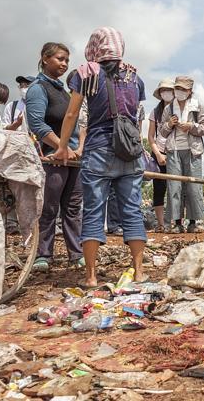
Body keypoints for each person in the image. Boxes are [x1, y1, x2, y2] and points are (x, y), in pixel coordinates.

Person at [51, 27, 148, 285]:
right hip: (130, 151)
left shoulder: (85, 75)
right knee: (132, 210)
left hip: (98, 149)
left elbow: (71, 114)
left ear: (96, 46)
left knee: (93, 211)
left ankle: (91, 277)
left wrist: (62, 146)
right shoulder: (135, 77)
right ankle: (138, 272)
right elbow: (134, 116)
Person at [26, 42, 84, 273]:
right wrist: (61, 147)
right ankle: (43, 254)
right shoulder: (38, 88)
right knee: (49, 208)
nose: (64, 64)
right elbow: (37, 124)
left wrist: (77, 148)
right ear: (45, 58)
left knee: (72, 207)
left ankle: (76, 254)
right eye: (59, 58)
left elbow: (76, 123)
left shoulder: (63, 91)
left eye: (67, 60)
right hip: (53, 158)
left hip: (73, 159)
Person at [160, 76, 204, 234]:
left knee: (193, 186)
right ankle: (177, 223)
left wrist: (192, 126)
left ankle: (193, 222)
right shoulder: (169, 108)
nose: (179, 92)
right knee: (174, 186)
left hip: (192, 150)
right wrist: (169, 124)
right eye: (177, 88)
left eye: (183, 89)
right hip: (174, 150)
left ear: (189, 91)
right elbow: (162, 131)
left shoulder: (197, 106)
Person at [106, 101, 146, 235]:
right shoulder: (116, 100)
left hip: (132, 146)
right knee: (113, 189)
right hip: (115, 142)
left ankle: (130, 226)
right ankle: (114, 224)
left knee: (132, 190)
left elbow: (139, 129)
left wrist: (139, 147)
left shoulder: (140, 107)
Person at [148, 78, 175, 232]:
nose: (167, 93)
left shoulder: (179, 110)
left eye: (169, 90)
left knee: (175, 188)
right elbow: (151, 136)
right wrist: (158, 154)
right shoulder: (155, 112)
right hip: (159, 153)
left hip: (176, 153)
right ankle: (161, 224)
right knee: (159, 188)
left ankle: (173, 222)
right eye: (163, 90)